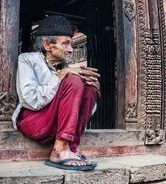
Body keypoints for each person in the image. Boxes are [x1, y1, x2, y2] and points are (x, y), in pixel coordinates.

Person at [12, 15, 101, 171]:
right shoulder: (28, 60)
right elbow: (30, 100)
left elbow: (83, 112)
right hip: (34, 123)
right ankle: (59, 149)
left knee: (90, 88)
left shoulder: (66, 67)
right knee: (73, 80)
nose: (70, 49)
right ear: (47, 44)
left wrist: (93, 89)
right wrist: (60, 76)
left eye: (71, 44)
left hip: (55, 126)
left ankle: (71, 147)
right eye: (65, 43)